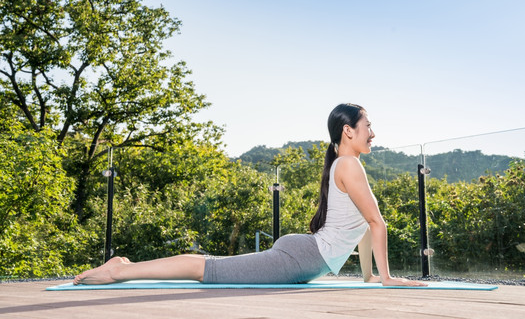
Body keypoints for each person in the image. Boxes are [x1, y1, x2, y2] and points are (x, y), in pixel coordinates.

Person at [74, 103, 426, 287]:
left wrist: (369, 277)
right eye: (368, 127)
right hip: (299, 259)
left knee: (213, 265)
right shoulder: (349, 166)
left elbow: (364, 228)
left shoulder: (344, 165)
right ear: (348, 131)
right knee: (208, 270)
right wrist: (386, 278)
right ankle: (119, 271)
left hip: (303, 255)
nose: (373, 134)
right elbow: (377, 223)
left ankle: (125, 267)